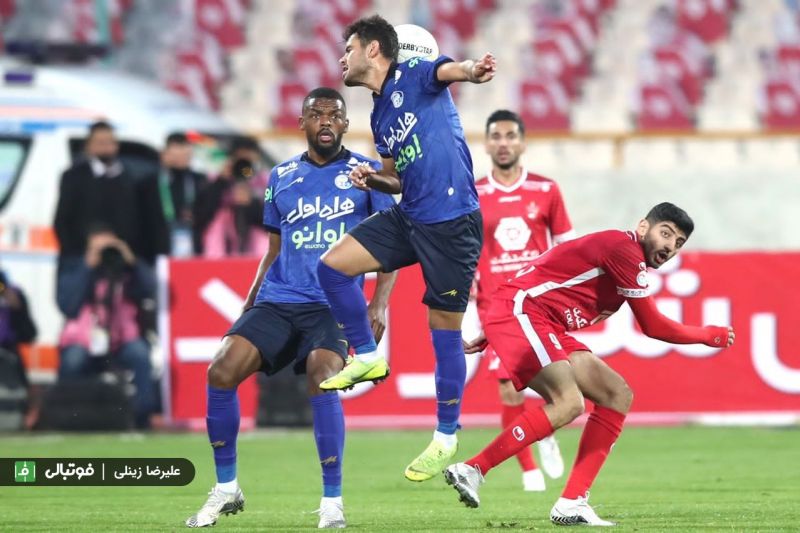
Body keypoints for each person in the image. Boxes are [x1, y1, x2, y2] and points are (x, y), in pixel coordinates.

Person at [444, 202, 735, 526]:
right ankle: (473, 469)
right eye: (666, 234)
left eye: (678, 243)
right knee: (568, 403)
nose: (670, 246)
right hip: (525, 314)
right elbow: (653, 326)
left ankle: (572, 502)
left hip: (533, 318)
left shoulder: (620, 251)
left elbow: (549, 263)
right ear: (643, 227)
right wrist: (709, 335)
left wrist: (499, 322)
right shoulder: (624, 250)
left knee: (616, 394)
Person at [185, 87, 398, 529]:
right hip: (279, 299)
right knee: (221, 370)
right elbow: (273, 249)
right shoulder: (280, 176)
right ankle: (226, 487)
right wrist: (250, 301)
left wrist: (379, 304)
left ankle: (332, 501)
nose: (326, 120)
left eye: (334, 114)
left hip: (331, 305)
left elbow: (390, 246)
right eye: (316, 114)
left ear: (345, 124)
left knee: (323, 376)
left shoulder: (368, 175)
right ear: (302, 123)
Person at [315, 14, 496, 483]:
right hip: (410, 214)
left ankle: (446, 436)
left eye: (349, 48)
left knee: (443, 331)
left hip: (452, 223)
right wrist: (372, 178)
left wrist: (473, 70)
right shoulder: (379, 114)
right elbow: (394, 178)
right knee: (332, 266)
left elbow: (449, 70)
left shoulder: (416, 73)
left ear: (373, 49)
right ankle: (367, 355)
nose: (342, 58)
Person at [473, 109, 573, 491]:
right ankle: (528, 469)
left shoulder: (546, 190)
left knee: (552, 384)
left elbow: (566, 247)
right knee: (509, 387)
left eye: (510, 136)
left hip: (538, 305)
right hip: (495, 306)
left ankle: (545, 428)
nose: (503, 143)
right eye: (496, 136)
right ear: (486, 144)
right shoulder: (474, 194)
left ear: (523, 143)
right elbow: (464, 247)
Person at [56, 227, 158, 429]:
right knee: (73, 360)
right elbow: (67, 305)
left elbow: (151, 289)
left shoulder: (125, 272)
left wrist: (131, 261)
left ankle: (141, 417)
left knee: (140, 354)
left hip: (121, 338)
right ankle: (67, 415)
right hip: (83, 339)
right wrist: (87, 267)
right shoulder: (76, 268)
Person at [54, 120, 169, 264]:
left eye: (109, 142)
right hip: (82, 256)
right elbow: (63, 220)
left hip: (126, 256)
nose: (105, 147)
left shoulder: (132, 178)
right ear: (89, 146)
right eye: (100, 142)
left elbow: (146, 220)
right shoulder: (74, 176)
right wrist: (85, 247)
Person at [195, 137, 270, 258]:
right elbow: (203, 213)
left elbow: (274, 220)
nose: (244, 166)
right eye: (240, 160)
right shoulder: (217, 179)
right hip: (222, 240)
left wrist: (252, 203)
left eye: (248, 161)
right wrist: (221, 182)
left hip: (256, 243)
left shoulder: (265, 181)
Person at [157, 132, 208, 257]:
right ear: (165, 154)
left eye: (186, 154)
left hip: (193, 243)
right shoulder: (152, 182)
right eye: (176, 154)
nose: (182, 158)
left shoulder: (199, 180)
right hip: (160, 245)